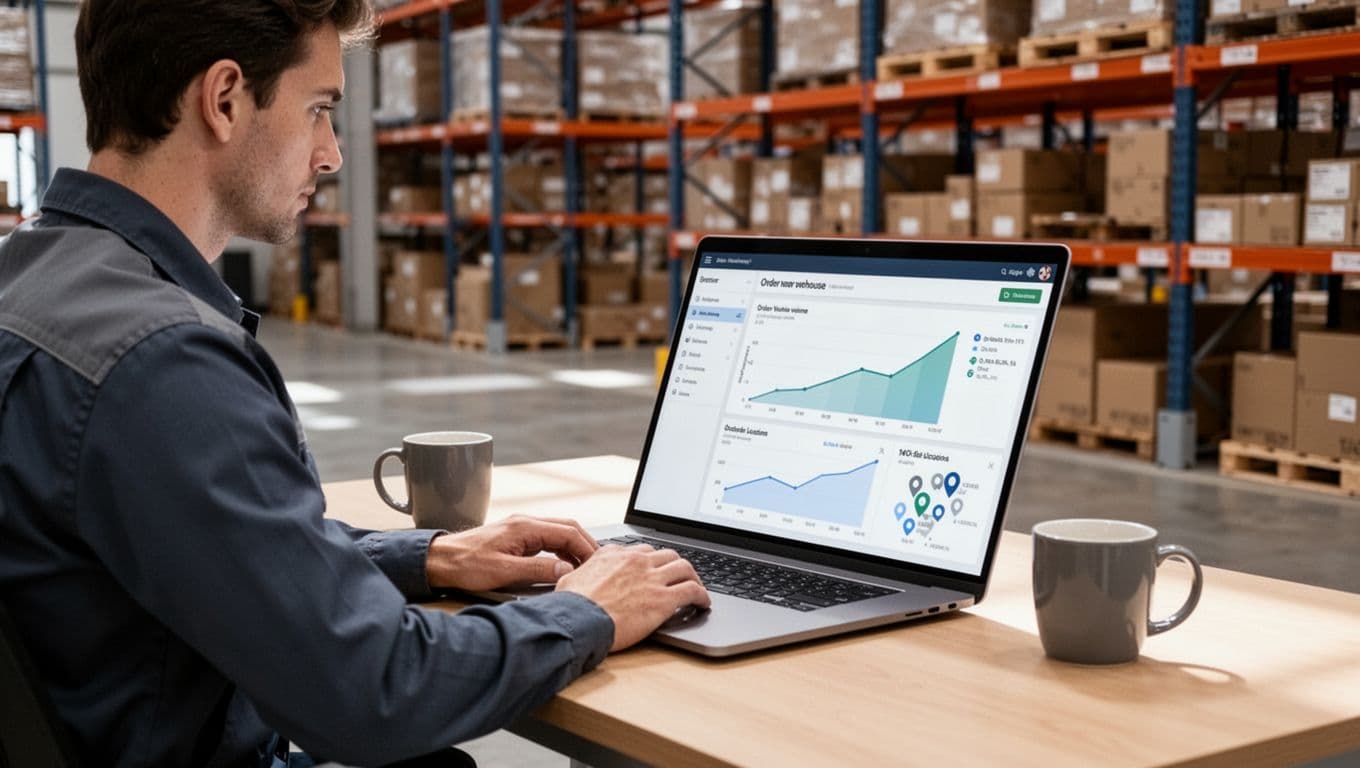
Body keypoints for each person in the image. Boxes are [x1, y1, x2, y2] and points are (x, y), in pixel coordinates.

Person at [0, 1, 708, 765]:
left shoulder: (30, 283)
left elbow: (208, 547)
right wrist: (587, 609)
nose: (331, 154)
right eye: (318, 109)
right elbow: (375, 690)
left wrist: (428, 557)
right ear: (225, 99)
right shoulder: (164, 362)